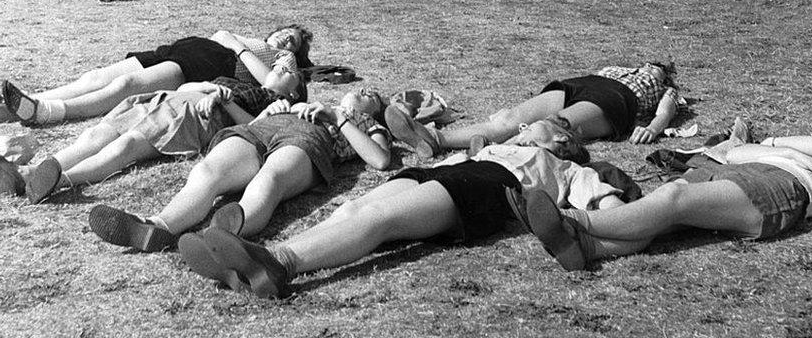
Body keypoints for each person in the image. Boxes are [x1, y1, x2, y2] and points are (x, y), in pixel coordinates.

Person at [177, 119, 634, 298]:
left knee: (378, 221)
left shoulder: (566, 167)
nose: (526, 125)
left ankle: (278, 263)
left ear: (562, 140)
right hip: (447, 171)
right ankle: (244, 268)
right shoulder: (494, 144)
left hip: (489, 187)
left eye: (540, 126)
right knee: (352, 209)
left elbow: (605, 206)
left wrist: (586, 217)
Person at [523, 129, 812, 271]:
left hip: (781, 188)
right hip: (744, 171)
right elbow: (735, 152)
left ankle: (572, 222)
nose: (811, 137)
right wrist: (776, 146)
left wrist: (802, 147)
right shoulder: (785, 150)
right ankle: (588, 248)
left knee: (675, 197)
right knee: (662, 216)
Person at [88, 90, 392, 253]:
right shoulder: (307, 101)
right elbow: (253, 119)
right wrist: (268, 112)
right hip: (261, 128)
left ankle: (221, 238)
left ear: (374, 110)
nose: (362, 91)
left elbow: (379, 160)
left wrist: (338, 118)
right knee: (208, 171)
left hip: (310, 141)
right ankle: (158, 227)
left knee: (270, 178)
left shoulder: (368, 125)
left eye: (372, 95)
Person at [0, 76, 290, 203]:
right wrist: (209, 87)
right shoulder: (238, 77)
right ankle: (23, 176)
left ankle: (49, 180)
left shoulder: (277, 102)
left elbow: (252, 131)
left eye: (290, 74)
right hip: (162, 99)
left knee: (124, 148)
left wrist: (226, 103)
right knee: (94, 135)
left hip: (192, 120)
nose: (282, 70)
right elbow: (187, 86)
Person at [0, 24, 312, 125]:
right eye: (286, 31)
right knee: (95, 77)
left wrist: (236, 44)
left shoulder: (283, 59)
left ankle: (45, 113)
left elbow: (270, 84)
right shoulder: (256, 35)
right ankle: (4, 105)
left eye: (293, 40)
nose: (285, 38)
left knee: (124, 87)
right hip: (181, 48)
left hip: (206, 63)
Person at [385, 61, 684, 158]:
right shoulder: (618, 67)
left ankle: (491, 155)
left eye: (656, 69)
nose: (650, 68)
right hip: (581, 85)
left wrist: (653, 128)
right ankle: (435, 139)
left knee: (550, 129)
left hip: (616, 102)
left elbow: (665, 112)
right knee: (514, 120)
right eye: (648, 64)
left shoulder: (667, 89)